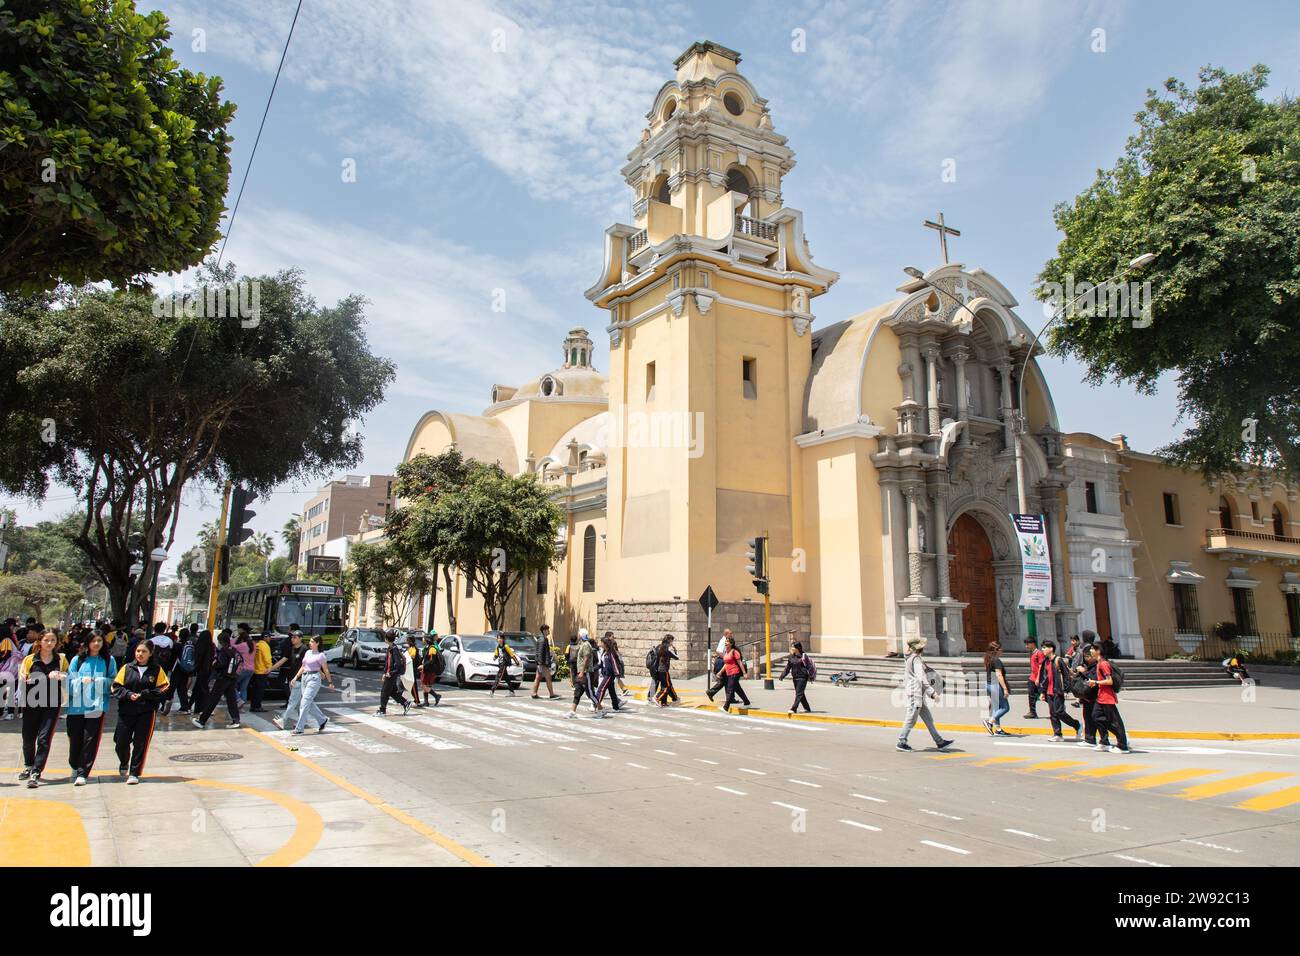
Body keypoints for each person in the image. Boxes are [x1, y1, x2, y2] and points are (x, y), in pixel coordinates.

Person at [111, 641, 170, 783]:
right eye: (138, 651)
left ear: (150, 653)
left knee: (141, 743)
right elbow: (115, 687)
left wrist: (145, 694)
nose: (140, 654)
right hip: (126, 711)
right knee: (120, 742)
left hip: (147, 711)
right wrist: (128, 694)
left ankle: (134, 773)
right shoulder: (127, 668)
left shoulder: (156, 669)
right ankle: (124, 761)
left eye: (144, 651)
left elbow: (164, 686)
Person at [17, 631, 68, 787]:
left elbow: (67, 675)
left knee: (44, 738)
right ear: (40, 642)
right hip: (31, 702)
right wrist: (48, 677)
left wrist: (61, 675)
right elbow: (25, 679)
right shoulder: (29, 659)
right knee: (28, 737)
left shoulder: (61, 659)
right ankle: (28, 765)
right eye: (46, 640)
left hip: (52, 703)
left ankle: (36, 772)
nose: (49, 643)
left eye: (53, 640)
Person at [66, 632, 111, 786]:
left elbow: (114, 682)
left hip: (97, 706)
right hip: (76, 707)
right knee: (75, 739)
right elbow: (68, 683)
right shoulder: (77, 660)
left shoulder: (108, 660)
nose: (96, 644)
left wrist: (99, 681)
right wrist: (81, 682)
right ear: (87, 643)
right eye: (93, 640)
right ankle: (75, 764)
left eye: (99, 640)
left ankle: (83, 773)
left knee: (90, 740)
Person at [895, 637, 953, 752]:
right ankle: (902, 741)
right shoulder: (915, 659)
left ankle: (939, 742)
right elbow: (921, 678)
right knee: (911, 719)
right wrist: (932, 693)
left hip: (917, 694)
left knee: (928, 719)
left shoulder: (911, 658)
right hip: (915, 694)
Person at [193, 631, 242, 729]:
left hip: (223, 678)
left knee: (213, 699)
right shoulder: (234, 650)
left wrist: (215, 664)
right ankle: (236, 720)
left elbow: (222, 664)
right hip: (232, 677)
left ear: (221, 641)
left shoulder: (224, 651)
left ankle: (202, 720)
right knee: (231, 700)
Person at [1087, 644, 1130, 754]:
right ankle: (1105, 741)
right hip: (1101, 696)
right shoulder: (1099, 663)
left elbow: (1109, 681)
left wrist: (1095, 682)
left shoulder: (1103, 664)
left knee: (1115, 721)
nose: (1091, 651)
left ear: (1099, 651)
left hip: (1107, 697)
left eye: (1093, 649)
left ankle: (1122, 744)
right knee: (1096, 717)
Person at [288, 636, 335, 735]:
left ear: (317, 643)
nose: (310, 643)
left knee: (304, 703)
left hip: (314, 679)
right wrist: (296, 677)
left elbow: (325, 669)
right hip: (305, 678)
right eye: (310, 641)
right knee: (308, 702)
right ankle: (322, 720)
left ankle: (299, 728)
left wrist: (330, 682)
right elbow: (304, 666)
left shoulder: (321, 655)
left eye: (312, 641)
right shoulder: (308, 652)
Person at [1037, 640, 1082, 743]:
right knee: (1053, 713)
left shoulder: (1058, 660)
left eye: (1044, 647)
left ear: (1051, 648)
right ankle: (1057, 734)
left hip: (1058, 690)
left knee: (1060, 712)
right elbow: (1045, 678)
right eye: (1042, 647)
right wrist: (1042, 692)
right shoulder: (1046, 661)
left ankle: (1077, 725)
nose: (1043, 650)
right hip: (1049, 691)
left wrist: (1066, 689)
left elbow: (1066, 675)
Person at [273, 629, 309, 730]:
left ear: (300, 638)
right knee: (299, 703)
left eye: (295, 637)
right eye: (292, 637)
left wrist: (296, 677)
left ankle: (282, 720)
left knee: (292, 701)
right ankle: (312, 720)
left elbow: (305, 665)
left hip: (300, 679)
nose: (292, 639)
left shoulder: (305, 650)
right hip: (292, 679)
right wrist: (270, 669)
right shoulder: (291, 649)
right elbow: (283, 660)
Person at [567, 628, 607, 718]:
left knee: (590, 693)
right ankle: (572, 711)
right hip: (582, 673)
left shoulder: (585, 645)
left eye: (579, 634)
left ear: (581, 635)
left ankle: (601, 709)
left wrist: (581, 672)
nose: (578, 635)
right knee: (577, 692)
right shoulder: (584, 644)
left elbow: (586, 658)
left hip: (586, 673)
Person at [377, 630, 410, 716]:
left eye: (385, 638)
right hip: (389, 674)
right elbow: (387, 663)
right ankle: (406, 703)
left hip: (392, 675)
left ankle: (382, 710)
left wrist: (390, 673)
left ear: (387, 639)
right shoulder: (390, 648)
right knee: (392, 692)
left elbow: (398, 664)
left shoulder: (394, 649)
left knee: (384, 692)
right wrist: (385, 673)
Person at [982, 641, 1011, 736]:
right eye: (1000, 649)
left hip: (989, 684)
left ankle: (998, 729)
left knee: (996, 707)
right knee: (1005, 707)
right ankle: (989, 722)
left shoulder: (988, 658)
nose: (1002, 650)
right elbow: (999, 675)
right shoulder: (997, 661)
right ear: (995, 650)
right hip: (995, 685)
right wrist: (1005, 689)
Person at [716, 633, 751, 712]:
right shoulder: (726, 652)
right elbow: (726, 664)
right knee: (738, 689)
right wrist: (720, 672)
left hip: (734, 673)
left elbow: (740, 663)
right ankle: (747, 703)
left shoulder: (734, 652)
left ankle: (726, 707)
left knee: (730, 689)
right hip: (729, 673)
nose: (725, 643)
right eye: (725, 641)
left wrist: (745, 673)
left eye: (727, 642)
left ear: (731, 644)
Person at [778, 641, 814, 714]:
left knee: (799, 694)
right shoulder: (791, 657)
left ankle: (794, 708)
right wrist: (783, 675)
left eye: (793, 647)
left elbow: (809, 666)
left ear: (797, 648)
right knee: (800, 693)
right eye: (791, 647)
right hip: (795, 677)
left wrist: (810, 676)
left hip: (803, 677)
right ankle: (807, 708)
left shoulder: (804, 656)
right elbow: (788, 667)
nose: (792, 648)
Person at [594, 633, 623, 712]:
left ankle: (596, 706)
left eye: (601, 643)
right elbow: (601, 664)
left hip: (609, 675)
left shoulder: (610, 653)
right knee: (612, 692)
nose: (600, 644)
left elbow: (614, 663)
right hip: (606, 674)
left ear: (605, 644)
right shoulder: (604, 652)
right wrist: (593, 669)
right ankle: (616, 708)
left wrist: (617, 673)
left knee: (601, 689)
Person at [531, 624, 559, 699]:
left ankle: (534, 693)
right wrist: (540, 664)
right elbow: (539, 652)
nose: (548, 631)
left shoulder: (542, 639)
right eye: (547, 630)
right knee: (548, 678)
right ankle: (552, 694)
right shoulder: (543, 639)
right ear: (544, 631)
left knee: (538, 677)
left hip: (542, 662)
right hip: (543, 663)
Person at [0, 622, 22, 719]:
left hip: (10, 668)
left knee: (8, 690)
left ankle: (10, 712)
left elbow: (5, 654)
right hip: (9, 668)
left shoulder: (6, 640)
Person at [249, 631, 274, 712]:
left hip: (255, 670)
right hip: (262, 671)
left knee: (254, 690)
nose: (270, 638)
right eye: (269, 637)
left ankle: (253, 706)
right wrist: (269, 668)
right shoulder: (265, 646)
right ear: (265, 637)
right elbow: (267, 658)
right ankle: (257, 706)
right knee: (259, 691)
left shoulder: (257, 645)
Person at [705, 629, 733, 702]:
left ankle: (729, 698)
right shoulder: (723, 641)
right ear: (726, 634)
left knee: (726, 681)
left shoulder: (726, 640)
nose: (731, 635)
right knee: (727, 680)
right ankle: (712, 692)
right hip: (721, 662)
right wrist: (726, 658)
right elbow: (718, 651)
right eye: (730, 633)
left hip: (722, 661)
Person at [232, 624, 256, 705]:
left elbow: (232, 646)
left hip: (243, 668)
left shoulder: (242, 645)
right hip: (251, 669)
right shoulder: (253, 644)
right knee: (243, 688)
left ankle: (239, 700)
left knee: (232, 684)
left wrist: (234, 637)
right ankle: (241, 706)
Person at [654, 634, 679, 707]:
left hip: (659, 670)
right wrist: (675, 649)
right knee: (667, 686)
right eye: (672, 641)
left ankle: (663, 702)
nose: (672, 643)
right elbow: (677, 657)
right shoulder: (667, 650)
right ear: (669, 641)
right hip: (664, 671)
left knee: (663, 685)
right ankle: (657, 697)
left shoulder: (659, 647)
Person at [1024, 637, 1043, 719]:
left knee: (1044, 696)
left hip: (1038, 679)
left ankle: (1058, 709)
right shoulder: (1032, 653)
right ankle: (1032, 712)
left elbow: (1041, 666)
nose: (1026, 646)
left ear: (1033, 644)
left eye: (1027, 644)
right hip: (1032, 678)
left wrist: (1038, 678)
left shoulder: (1039, 653)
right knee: (1031, 695)